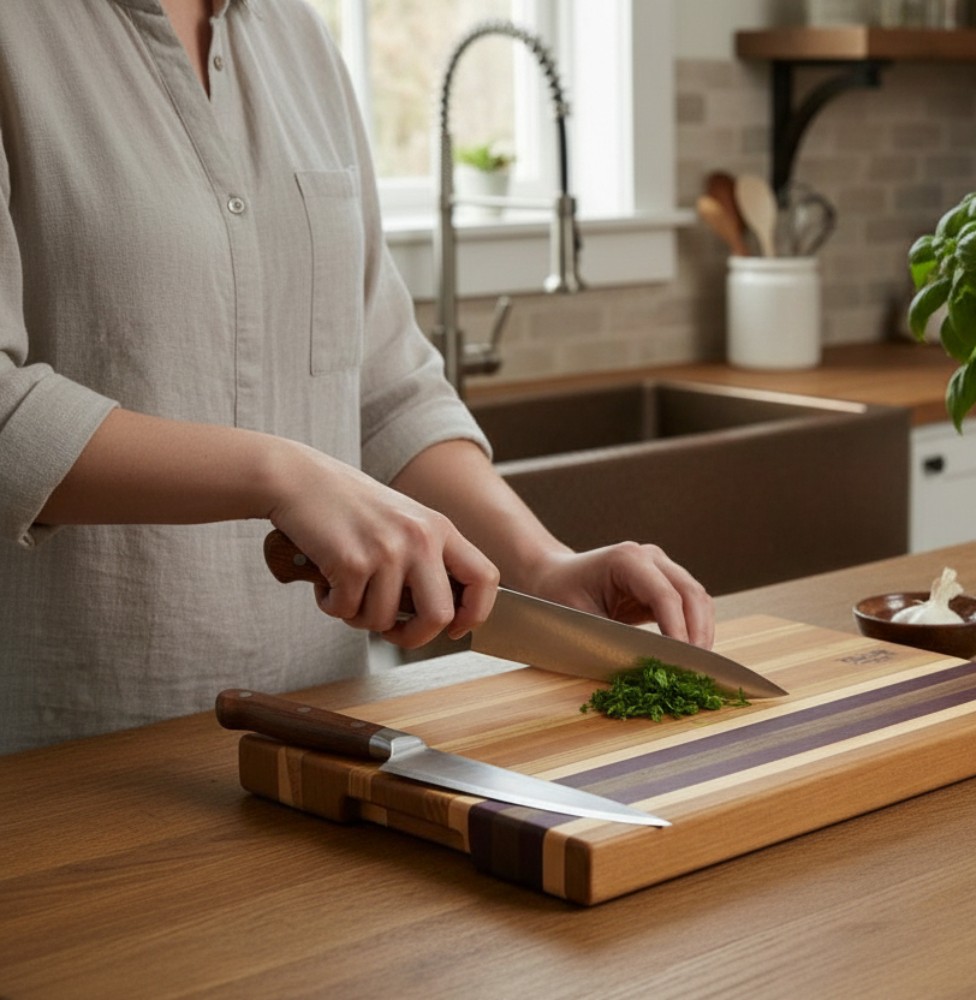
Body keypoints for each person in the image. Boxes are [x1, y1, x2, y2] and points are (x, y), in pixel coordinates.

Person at [0, 0, 714, 754]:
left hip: (324, 735)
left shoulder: (298, 40)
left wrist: (540, 567)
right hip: (74, 750)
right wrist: (285, 474)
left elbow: (384, 387)